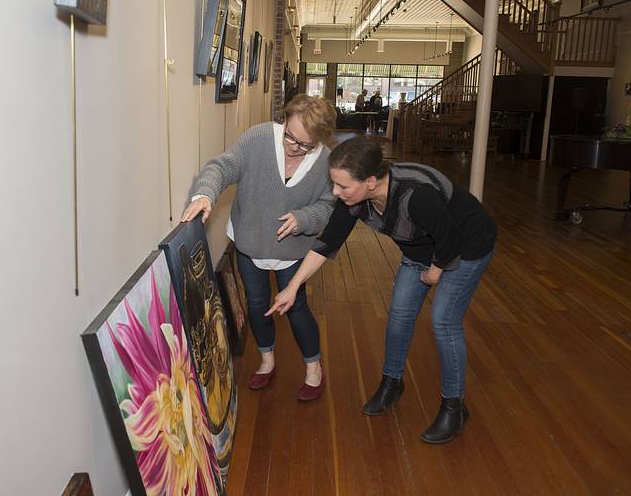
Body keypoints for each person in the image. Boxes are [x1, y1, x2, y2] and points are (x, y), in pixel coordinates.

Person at [266, 138, 496, 442]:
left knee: (443, 322)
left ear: (371, 182)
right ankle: (392, 383)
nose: (336, 192)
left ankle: (455, 408)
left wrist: (436, 272)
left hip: (465, 246)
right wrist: (292, 288)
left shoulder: (416, 195)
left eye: (343, 186)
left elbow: (449, 236)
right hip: (420, 250)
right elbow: (327, 242)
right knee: (400, 315)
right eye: (333, 184)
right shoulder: (356, 199)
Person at [181, 94, 337, 402]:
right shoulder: (259, 138)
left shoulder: (326, 162)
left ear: (318, 142)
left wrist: (304, 217)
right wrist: (205, 193)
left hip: (292, 251)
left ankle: (313, 368)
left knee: (296, 308)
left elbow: (330, 206)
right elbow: (223, 166)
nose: (292, 147)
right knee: (257, 304)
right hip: (250, 243)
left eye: (304, 145)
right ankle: (267, 361)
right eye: (290, 137)